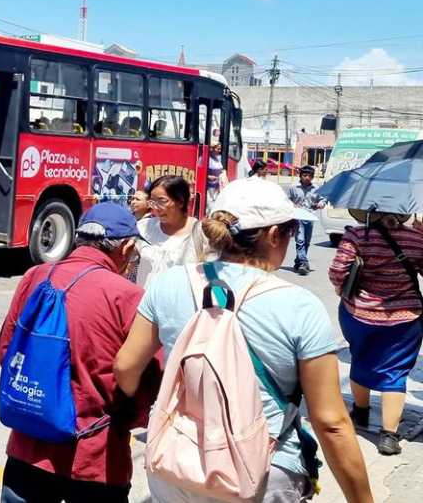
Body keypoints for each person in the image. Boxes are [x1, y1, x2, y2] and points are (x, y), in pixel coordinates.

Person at [115, 179, 373, 503]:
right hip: (263, 473)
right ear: (274, 234)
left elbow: (126, 367)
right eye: (290, 232)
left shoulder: (167, 283)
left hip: (177, 464)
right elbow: (331, 423)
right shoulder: (301, 306)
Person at [0, 202, 157, 503]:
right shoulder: (127, 296)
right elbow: (146, 381)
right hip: (97, 457)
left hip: (29, 448)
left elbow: (6, 350)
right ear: (126, 247)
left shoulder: (35, 276)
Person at [327, 210, 423, 456]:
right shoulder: (414, 238)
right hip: (405, 318)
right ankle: (389, 436)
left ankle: (360, 411)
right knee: (395, 371)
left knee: (361, 357)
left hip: (358, 314)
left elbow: (337, 272)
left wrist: (341, 290)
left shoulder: (356, 235)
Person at [134, 175, 207, 286]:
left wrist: (219, 301)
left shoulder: (202, 233)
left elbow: (212, 275)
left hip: (183, 302)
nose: (156, 208)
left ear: (180, 202)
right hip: (146, 300)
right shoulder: (143, 228)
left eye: (162, 201)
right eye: (152, 202)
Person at [285, 166, 326, 275]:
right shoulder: (293, 187)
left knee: (306, 241)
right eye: (304, 175)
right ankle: (304, 262)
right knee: (300, 240)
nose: (307, 177)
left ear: (312, 177)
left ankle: (298, 261)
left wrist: (321, 204)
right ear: (300, 176)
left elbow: (322, 199)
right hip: (297, 217)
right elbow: (287, 200)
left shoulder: (316, 188)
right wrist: (291, 205)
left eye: (309, 176)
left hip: (309, 216)